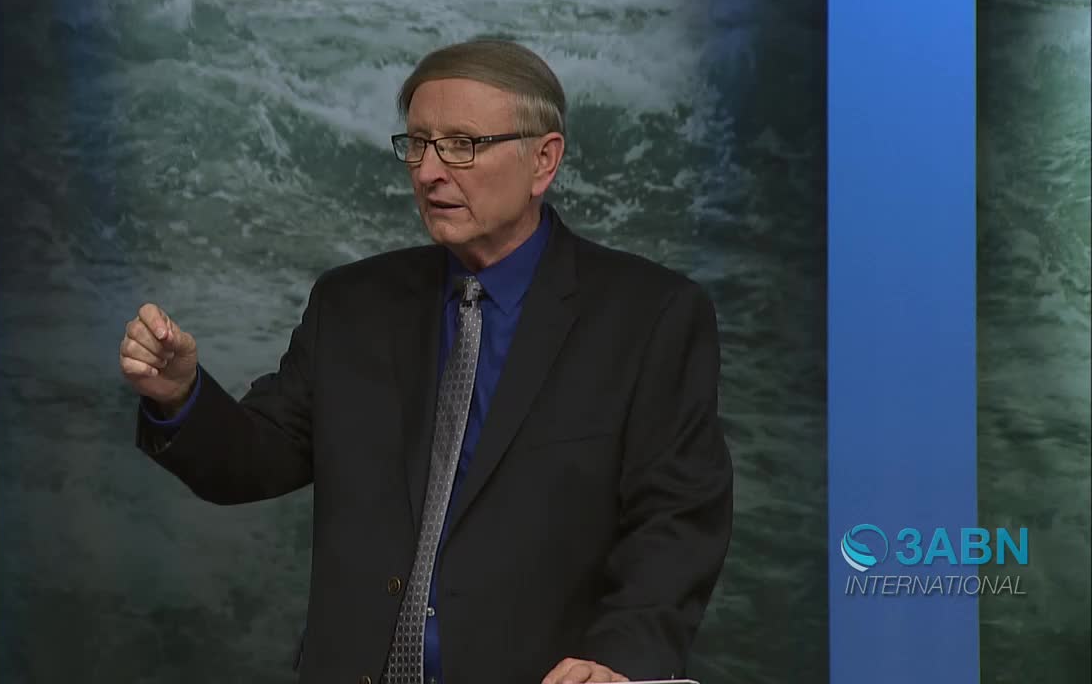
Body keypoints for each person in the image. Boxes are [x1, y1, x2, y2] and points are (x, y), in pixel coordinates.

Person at [120, 38, 733, 684]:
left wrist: (620, 661)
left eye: (463, 144)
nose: (430, 171)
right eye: (417, 143)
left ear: (543, 161)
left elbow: (678, 521)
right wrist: (180, 395)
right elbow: (255, 457)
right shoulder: (352, 305)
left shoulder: (648, 317)